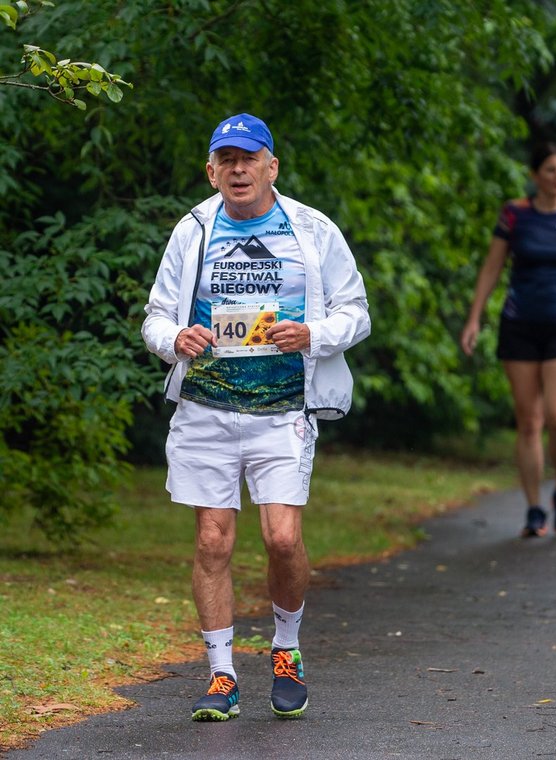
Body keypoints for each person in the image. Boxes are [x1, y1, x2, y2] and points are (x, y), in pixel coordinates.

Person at [142, 113, 371, 721]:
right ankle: (221, 676)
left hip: (282, 411)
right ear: (211, 170)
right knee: (213, 539)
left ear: (272, 167)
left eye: (250, 159)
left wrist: (315, 333)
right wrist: (176, 341)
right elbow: (156, 318)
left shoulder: (312, 230)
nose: (238, 170)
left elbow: (358, 311)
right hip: (206, 411)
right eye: (227, 160)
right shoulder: (192, 230)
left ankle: (287, 651)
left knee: (282, 537)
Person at [460, 142, 556, 538]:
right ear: (536, 175)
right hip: (519, 323)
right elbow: (491, 268)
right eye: (552, 170)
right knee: (528, 422)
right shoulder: (515, 213)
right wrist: (474, 318)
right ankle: (533, 508)